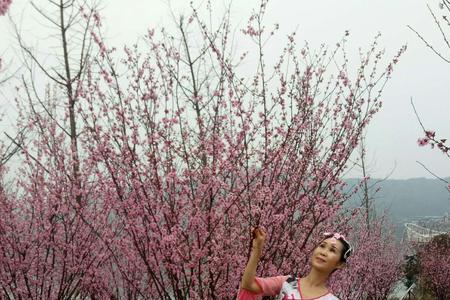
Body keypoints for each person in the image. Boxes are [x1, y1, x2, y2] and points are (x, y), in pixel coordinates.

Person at [238, 228, 353, 300]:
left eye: (332, 250)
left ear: (340, 264)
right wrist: (257, 249)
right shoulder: (287, 282)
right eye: (322, 246)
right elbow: (248, 285)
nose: (323, 252)